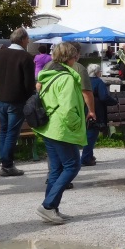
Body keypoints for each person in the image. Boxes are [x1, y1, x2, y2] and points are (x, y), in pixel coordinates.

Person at [34, 42, 88, 224]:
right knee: (72, 165)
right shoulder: (67, 78)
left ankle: (52, 209)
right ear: (72, 57)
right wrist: (77, 125)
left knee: (56, 169)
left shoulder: (49, 74)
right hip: (61, 129)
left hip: (49, 127)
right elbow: (68, 108)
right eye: (76, 56)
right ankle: (48, 206)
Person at [0, 27, 35, 178]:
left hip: (0, 98)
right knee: (12, 132)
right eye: (27, 39)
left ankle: (4, 161)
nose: (28, 41)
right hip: (16, 99)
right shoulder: (25, 57)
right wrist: (29, 97)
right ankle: (7, 164)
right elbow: (29, 83)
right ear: (22, 39)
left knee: (4, 130)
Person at [83, 63, 113, 166]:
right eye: (100, 71)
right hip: (95, 110)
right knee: (92, 134)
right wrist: (114, 101)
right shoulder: (98, 82)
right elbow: (104, 97)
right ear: (97, 72)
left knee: (89, 133)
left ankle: (89, 156)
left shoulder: (85, 81)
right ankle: (85, 158)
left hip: (83, 109)